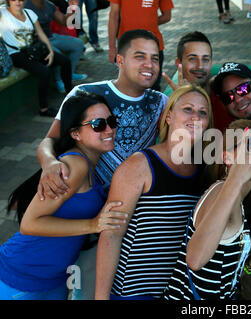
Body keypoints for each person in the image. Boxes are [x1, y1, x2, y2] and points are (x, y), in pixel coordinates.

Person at [35, 29, 168, 300]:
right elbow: (48, 141)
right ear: (119, 59)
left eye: (155, 58)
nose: (149, 65)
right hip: (85, 221)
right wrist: (49, 163)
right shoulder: (86, 93)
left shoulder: (161, 102)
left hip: (130, 224)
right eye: (139, 56)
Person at [0, 91, 127, 300]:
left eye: (111, 121)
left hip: (53, 280)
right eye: (98, 124)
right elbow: (29, 224)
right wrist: (93, 224)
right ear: (75, 133)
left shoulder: (89, 165)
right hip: (21, 276)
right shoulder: (74, 165)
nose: (110, 129)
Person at [95, 84, 213, 300]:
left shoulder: (204, 172)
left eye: (202, 112)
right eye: (187, 109)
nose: (196, 116)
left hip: (175, 292)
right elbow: (111, 234)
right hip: (131, 292)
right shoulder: (140, 165)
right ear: (168, 117)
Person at [163, 119, 251, 300]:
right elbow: (195, 260)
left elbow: (232, 276)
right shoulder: (220, 192)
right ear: (227, 158)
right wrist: (236, 176)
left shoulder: (236, 202)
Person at [0, 0, 72, 117]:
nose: (18, 2)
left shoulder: (29, 13)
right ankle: (43, 109)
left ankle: (71, 94)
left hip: (33, 50)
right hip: (16, 53)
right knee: (44, 71)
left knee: (65, 61)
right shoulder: (3, 13)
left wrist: (50, 51)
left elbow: (41, 33)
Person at [163, 31, 235, 132]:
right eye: (192, 59)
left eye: (205, 59)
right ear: (178, 63)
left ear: (211, 63)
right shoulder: (168, 104)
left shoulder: (224, 95)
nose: (200, 66)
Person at [108, 0, 174, 92]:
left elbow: (167, 16)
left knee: (152, 88)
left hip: (153, 49)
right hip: (128, 47)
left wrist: (149, 23)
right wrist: (112, 47)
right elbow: (113, 16)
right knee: (127, 87)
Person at [24, 0, 87, 93]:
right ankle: (59, 81)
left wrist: (71, 9)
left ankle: (70, 74)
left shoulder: (49, 4)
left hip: (51, 37)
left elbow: (64, 21)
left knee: (78, 44)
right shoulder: (26, 5)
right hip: (37, 42)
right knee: (57, 53)